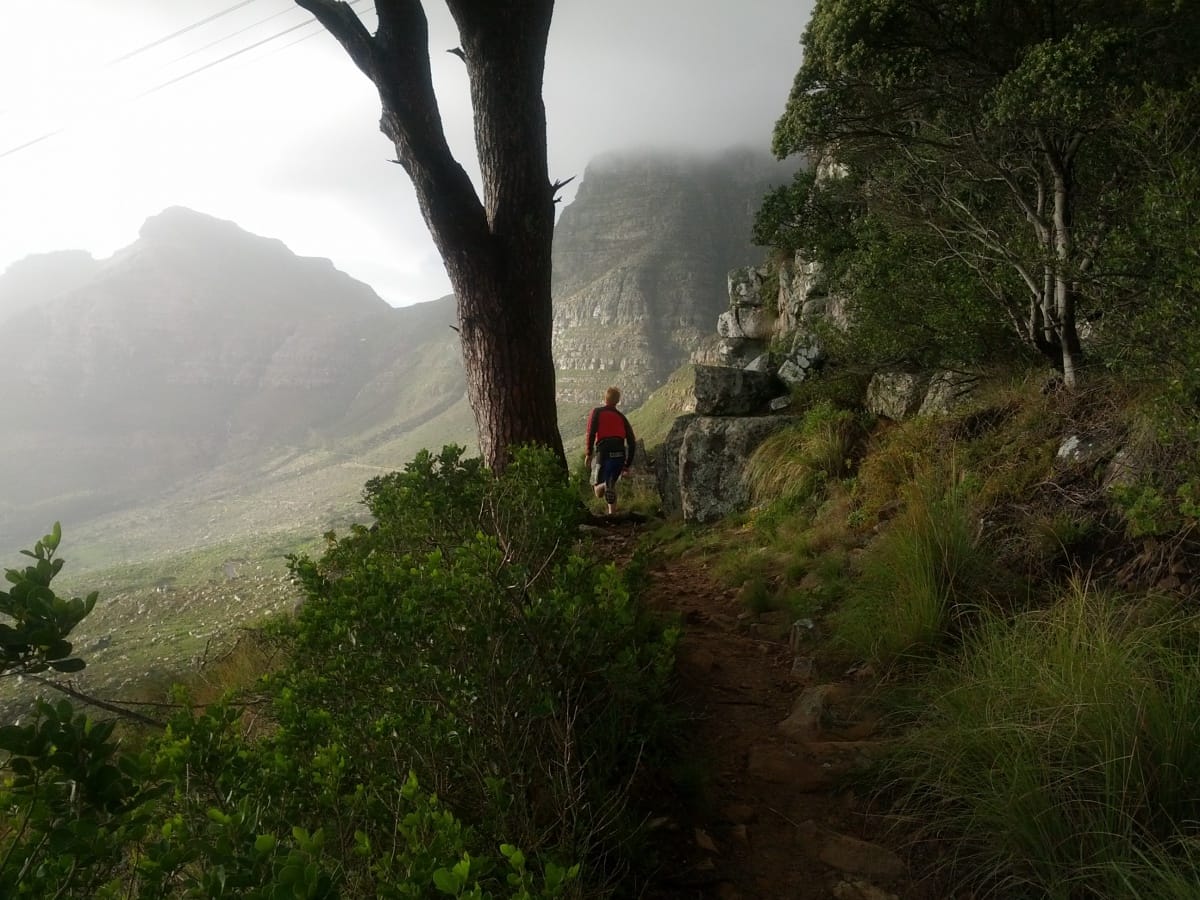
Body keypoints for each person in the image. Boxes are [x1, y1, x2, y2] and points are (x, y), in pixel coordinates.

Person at [584, 386, 637, 516]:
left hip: (604, 453)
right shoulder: (621, 417)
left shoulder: (597, 412)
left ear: (605, 398)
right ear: (617, 401)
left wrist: (589, 453)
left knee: (598, 490)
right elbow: (632, 442)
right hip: (620, 454)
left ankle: (605, 487)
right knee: (611, 483)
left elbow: (591, 433)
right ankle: (611, 514)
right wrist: (627, 464)